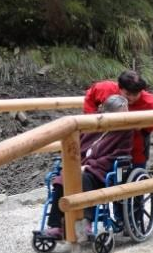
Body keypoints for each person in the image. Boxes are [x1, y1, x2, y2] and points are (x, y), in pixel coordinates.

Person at [43, 95, 136, 240]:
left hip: (103, 170)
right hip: (81, 166)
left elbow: (119, 154)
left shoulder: (125, 130)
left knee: (83, 178)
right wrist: (75, 164)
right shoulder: (92, 125)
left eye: (126, 111)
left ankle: (86, 222)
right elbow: (76, 147)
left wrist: (89, 166)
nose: (126, 115)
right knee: (63, 179)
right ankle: (57, 225)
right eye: (122, 112)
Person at [83, 70, 153, 169]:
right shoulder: (106, 88)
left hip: (136, 144)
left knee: (137, 168)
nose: (132, 98)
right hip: (105, 139)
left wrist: (144, 125)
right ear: (120, 88)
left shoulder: (150, 102)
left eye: (135, 94)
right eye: (128, 94)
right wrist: (93, 119)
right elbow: (90, 96)